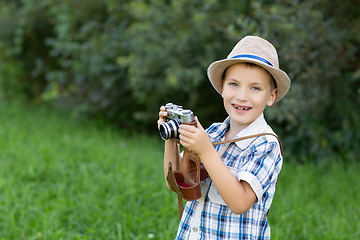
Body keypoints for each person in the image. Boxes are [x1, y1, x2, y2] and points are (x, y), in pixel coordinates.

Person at [157, 35, 291, 239]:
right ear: (222, 87)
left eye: (255, 88)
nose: (242, 96)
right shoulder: (212, 133)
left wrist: (206, 150)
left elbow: (240, 203)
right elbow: (175, 183)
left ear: (271, 96)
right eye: (234, 84)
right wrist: (172, 138)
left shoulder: (266, 144)